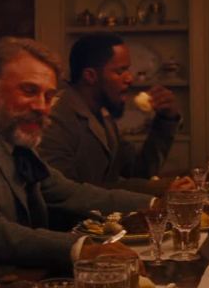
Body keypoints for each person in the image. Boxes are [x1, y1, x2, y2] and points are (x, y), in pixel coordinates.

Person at [0, 37, 153, 272]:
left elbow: (71, 194)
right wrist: (80, 249)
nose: (41, 107)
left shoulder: (16, 144)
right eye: (29, 91)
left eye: (48, 97)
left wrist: (153, 204)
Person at [39, 33, 183, 194]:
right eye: (121, 71)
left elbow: (138, 170)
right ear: (90, 76)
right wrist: (151, 189)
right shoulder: (56, 117)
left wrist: (166, 119)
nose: (130, 78)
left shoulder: (102, 114)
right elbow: (62, 193)